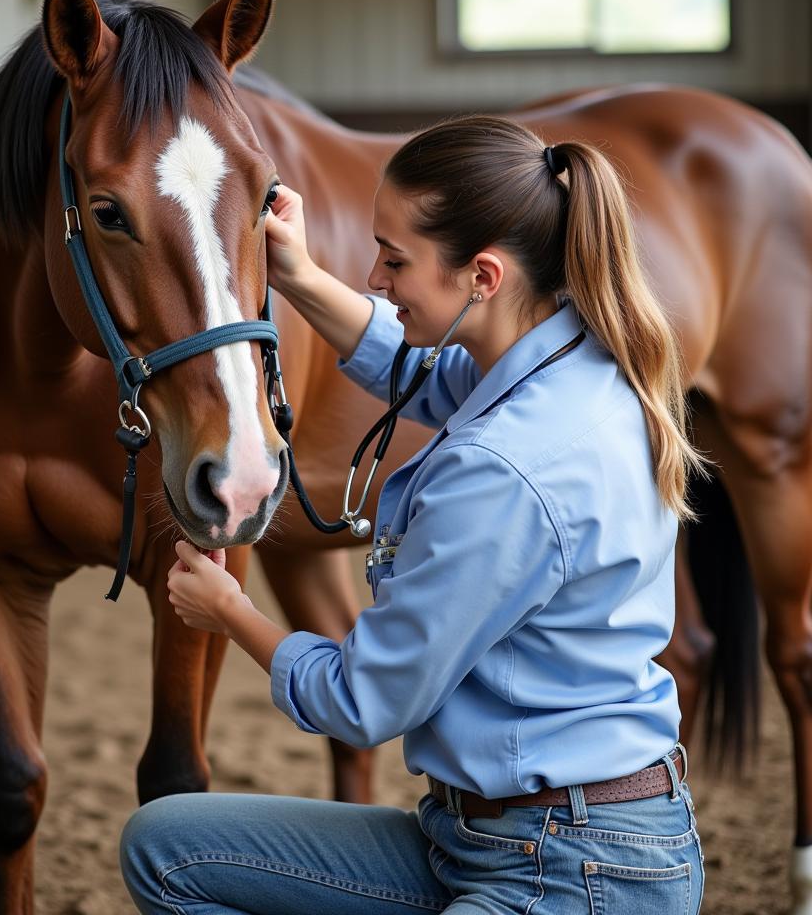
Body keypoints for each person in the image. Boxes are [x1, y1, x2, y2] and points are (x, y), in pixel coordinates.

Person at [119, 114, 709, 914]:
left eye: (394, 260)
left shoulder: (501, 473)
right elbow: (421, 373)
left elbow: (362, 703)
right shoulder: (577, 360)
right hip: (486, 836)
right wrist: (294, 276)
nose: (373, 276)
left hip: (568, 868)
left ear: (484, 277)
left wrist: (232, 613)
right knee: (165, 847)